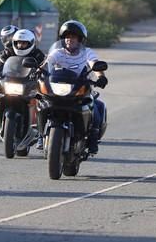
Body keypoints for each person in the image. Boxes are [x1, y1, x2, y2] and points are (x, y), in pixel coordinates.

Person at [41, 20, 108, 154]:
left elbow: (94, 64)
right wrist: (38, 71)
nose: (69, 39)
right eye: (67, 36)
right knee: (41, 103)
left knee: (96, 107)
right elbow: (47, 62)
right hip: (58, 88)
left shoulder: (87, 52)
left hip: (81, 88)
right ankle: (40, 135)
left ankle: (92, 139)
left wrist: (100, 76)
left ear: (80, 39)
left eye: (73, 37)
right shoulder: (58, 53)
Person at [0, 28, 46, 138]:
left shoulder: (38, 55)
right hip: (11, 82)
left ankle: (41, 136)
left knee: (43, 105)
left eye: (24, 43)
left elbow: (45, 67)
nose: (20, 46)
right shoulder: (8, 52)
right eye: (18, 43)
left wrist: (43, 74)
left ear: (31, 43)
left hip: (30, 85)